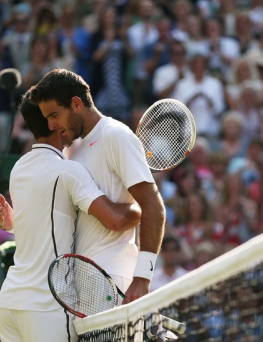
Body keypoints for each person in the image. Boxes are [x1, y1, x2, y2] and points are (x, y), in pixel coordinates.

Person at [0, 91, 141, 342]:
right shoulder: (68, 172)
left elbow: (42, 225)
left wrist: (12, 223)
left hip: (11, 302)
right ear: (53, 123)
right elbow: (116, 220)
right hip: (47, 306)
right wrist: (142, 200)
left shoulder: (19, 168)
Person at [31, 68, 166, 304]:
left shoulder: (116, 135)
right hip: (79, 283)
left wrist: (143, 278)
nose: (51, 125)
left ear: (75, 104)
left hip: (113, 279)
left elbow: (153, 205)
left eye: (54, 115)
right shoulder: (71, 148)